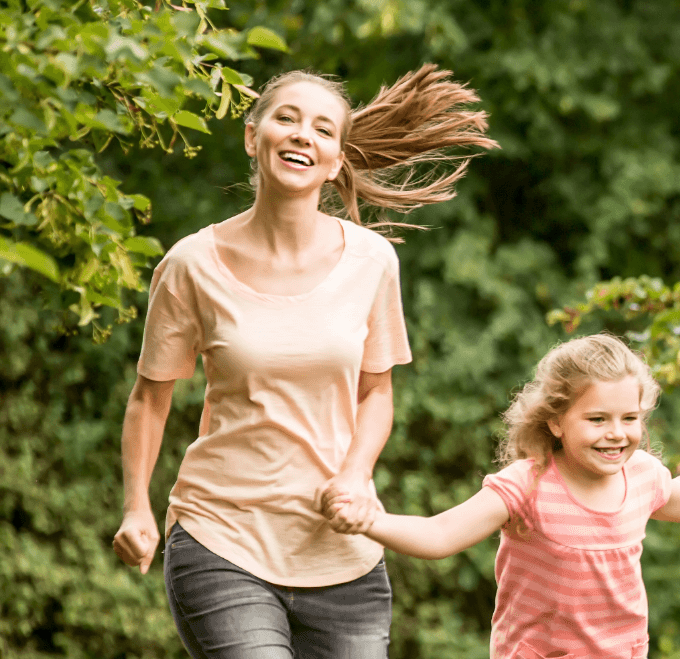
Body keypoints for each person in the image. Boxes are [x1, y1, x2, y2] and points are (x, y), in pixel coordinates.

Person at [111, 65, 496, 658]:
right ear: (252, 136)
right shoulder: (191, 264)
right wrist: (138, 504)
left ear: (337, 158)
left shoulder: (371, 261)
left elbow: (376, 394)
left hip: (343, 550)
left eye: (321, 128)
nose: (301, 135)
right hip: (223, 537)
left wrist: (355, 471)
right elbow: (150, 396)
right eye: (285, 119)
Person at [324, 334, 680, 658]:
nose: (617, 434)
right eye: (597, 419)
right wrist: (367, 521)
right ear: (554, 421)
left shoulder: (642, 474)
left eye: (630, 418)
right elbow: (442, 534)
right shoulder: (527, 484)